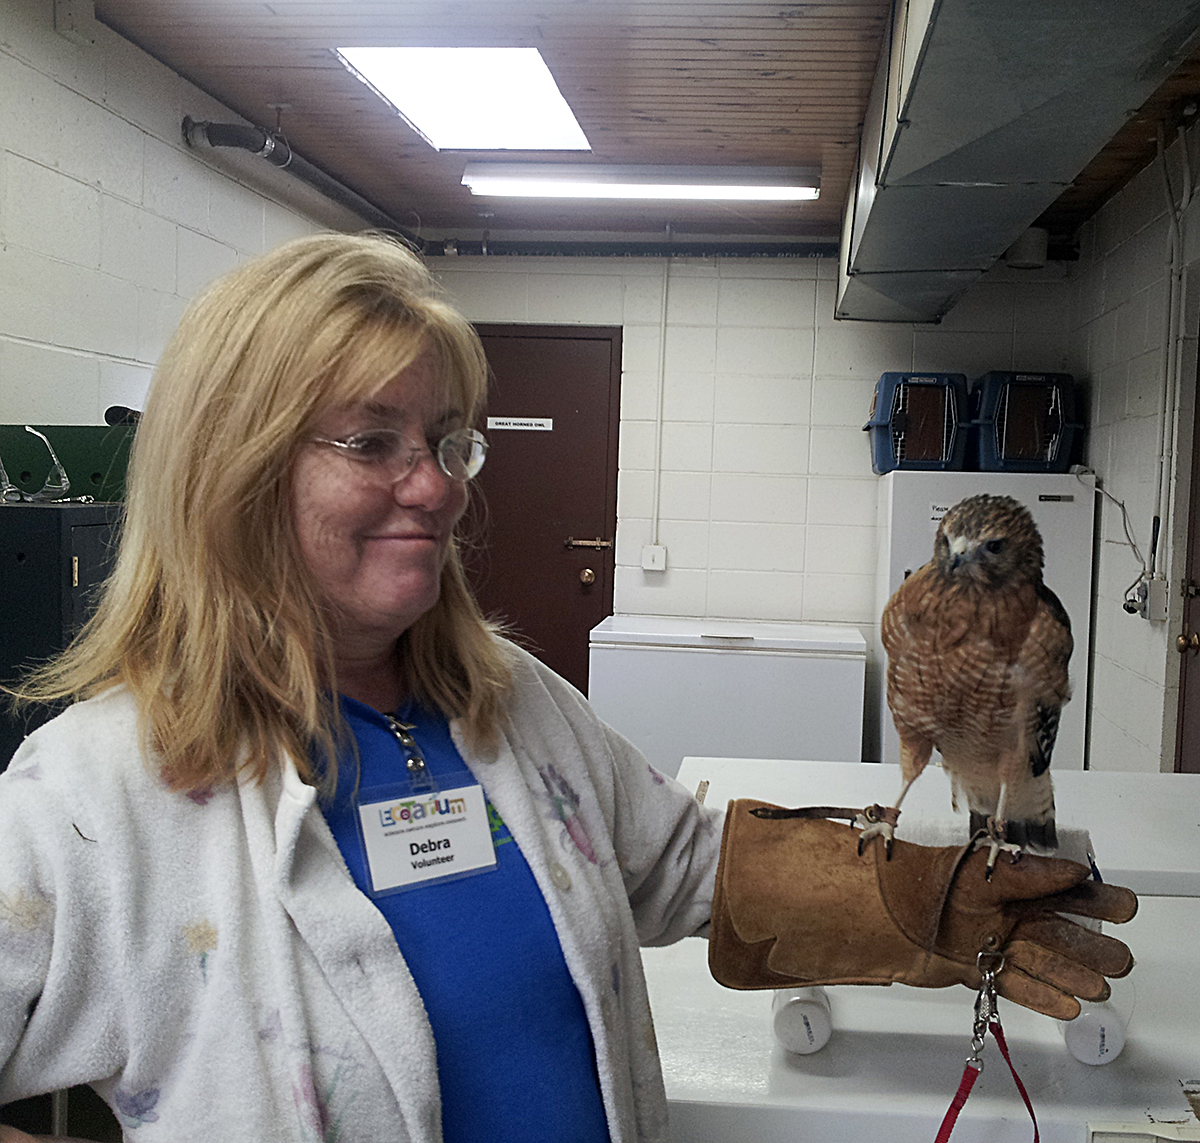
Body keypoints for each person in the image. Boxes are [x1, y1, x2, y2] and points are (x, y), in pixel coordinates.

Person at [0, 233, 1135, 1143]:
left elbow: (681, 863)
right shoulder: (92, 795)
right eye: (373, 442)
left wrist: (910, 896)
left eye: (448, 442)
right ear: (233, 468)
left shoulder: (511, 700)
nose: (435, 487)